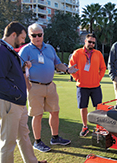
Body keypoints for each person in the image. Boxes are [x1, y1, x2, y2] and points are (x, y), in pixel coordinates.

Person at [0, 21, 47, 163]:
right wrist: (17, 94)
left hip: (16, 102)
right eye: (22, 37)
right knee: (8, 139)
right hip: (8, 102)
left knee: (23, 135)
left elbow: (10, 73)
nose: (23, 41)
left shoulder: (7, 50)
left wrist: (23, 67)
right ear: (13, 34)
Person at [19, 23, 78, 152]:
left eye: (39, 34)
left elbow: (58, 64)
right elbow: (20, 69)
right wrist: (27, 86)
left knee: (55, 111)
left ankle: (55, 137)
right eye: (34, 35)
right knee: (37, 115)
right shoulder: (26, 50)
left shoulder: (50, 48)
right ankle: (38, 141)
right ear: (29, 36)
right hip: (34, 86)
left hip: (50, 86)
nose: (37, 37)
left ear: (43, 35)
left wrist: (68, 69)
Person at [69, 33, 106, 136]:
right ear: (85, 41)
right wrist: (78, 78)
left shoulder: (98, 54)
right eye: (89, 42)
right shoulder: (77, 53)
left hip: (95, 86)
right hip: (82, 86)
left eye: (93, 42)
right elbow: (71, 68)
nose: (91, 44)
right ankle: (85, 127)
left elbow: (103, 68)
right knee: (83, 107)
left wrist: (98, 78)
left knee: (98, 107)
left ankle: (99, 127)